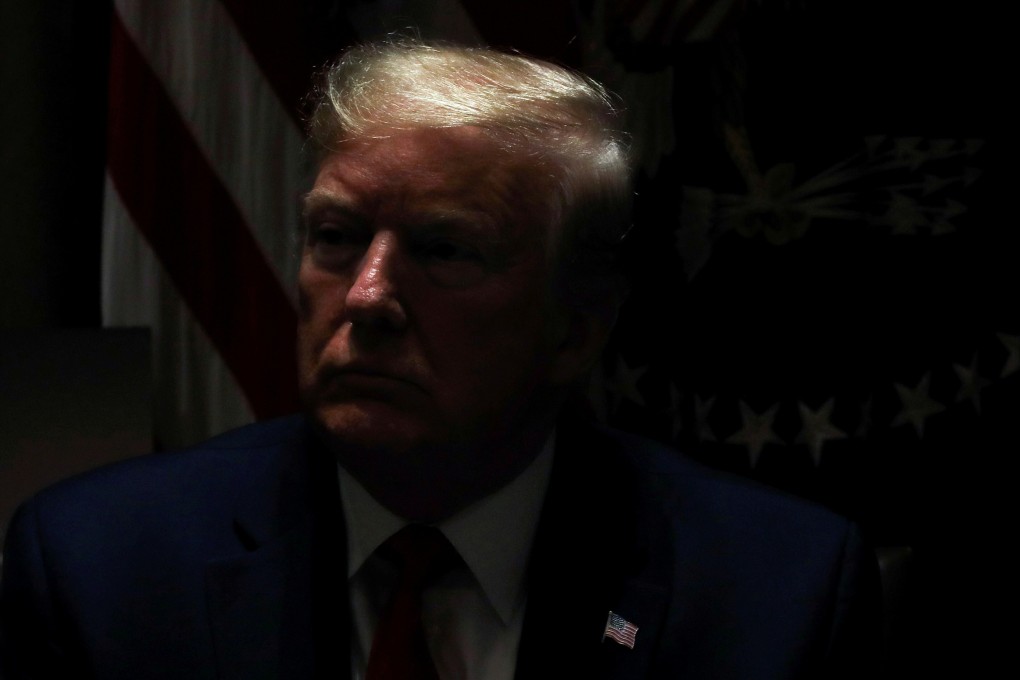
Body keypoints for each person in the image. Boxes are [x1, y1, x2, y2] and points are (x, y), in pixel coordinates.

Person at [0, 41, 881, 679]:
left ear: (575, 329)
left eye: (445, 251)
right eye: (337, 238)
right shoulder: (100, 566)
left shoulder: (777, 594)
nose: (368, 296)